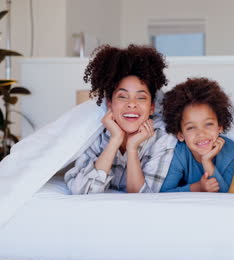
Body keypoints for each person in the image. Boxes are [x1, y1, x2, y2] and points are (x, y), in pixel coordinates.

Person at [65, 44, 176, 194]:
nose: (131, 104)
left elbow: (142, 196)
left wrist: (132, 148)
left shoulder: (163, 138)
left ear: (152, 107)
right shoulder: (97, 133)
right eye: (122, 96)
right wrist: (115, 140)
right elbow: (83, 191)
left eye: (141, 97)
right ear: (110, 103)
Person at [160, 78, 234, 193]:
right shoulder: (178, 152)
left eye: (208, 124)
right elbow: (163, 193)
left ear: (220, 126)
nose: (201, 133)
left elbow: (226, 195)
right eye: (191, 127)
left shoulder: (230, 150)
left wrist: (207, 162)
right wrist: (197, 187)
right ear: (181, 134)